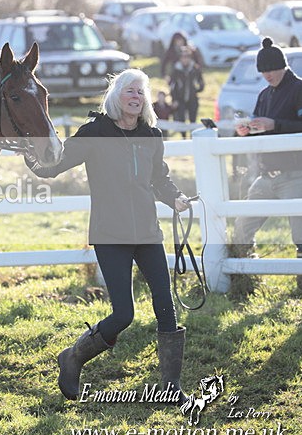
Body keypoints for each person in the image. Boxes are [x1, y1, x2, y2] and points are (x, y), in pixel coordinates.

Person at [27, 68, 192, 404]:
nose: (135, 97)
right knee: (123, 315)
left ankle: (171, 387)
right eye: (129, 91)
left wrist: (174, 196)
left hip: (147, 232)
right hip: (110, 233)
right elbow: (55, 164)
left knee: (166, 306)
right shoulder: (95, 132)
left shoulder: (151, 135)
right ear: (116, 95)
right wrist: (32, 156)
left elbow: (159, 178)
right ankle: (73, 357)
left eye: (140, 92)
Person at [232, 37, 302, 262]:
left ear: (283, 66)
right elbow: (260, 126)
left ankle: (301, 281)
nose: (268, 74)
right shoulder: (264, 95)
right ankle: (244, 270)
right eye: (263, 71)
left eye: (272, 69)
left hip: (296, 174)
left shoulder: (301, 88)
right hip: (265, 175)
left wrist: (276, 124)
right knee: (242, 225)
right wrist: (245, 130)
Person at [169, 46, 204, 137]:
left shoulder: (195, 68)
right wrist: (174, 99)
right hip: (180, 99)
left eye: (187, 56)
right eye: (183, 57)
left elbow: (201, 82)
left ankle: (192, 139)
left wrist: (197, 89)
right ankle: (183, 138)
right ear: (180, 58)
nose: (185, 59)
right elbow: (172, 86)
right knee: (181, 120)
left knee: (193, 120)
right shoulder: (176, 70)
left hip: (192, 99)